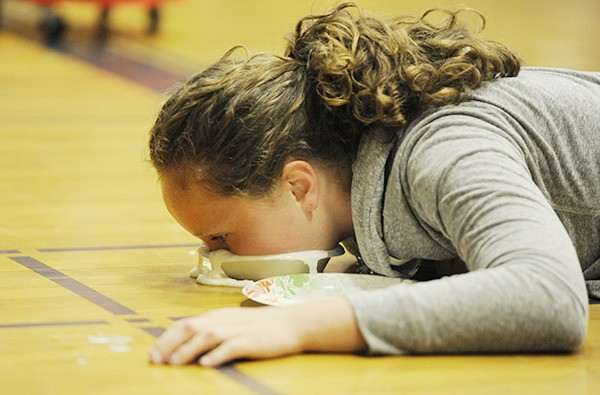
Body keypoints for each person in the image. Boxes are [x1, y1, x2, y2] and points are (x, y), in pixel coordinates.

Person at [147, 2, 600, 367]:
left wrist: (304, 325)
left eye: (222, 237)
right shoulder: (372, 173)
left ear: (299, 186)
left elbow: (549, 297)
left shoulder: (442, 150)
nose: (218, 256)